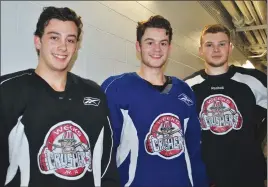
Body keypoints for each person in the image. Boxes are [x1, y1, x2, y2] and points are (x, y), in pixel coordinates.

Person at [0, 6, 119, 187]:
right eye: (54, 38)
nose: (63, 47)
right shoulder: (8, 90)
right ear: (38, 41)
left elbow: (106, 165)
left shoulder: (94, 94)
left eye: (70, 40)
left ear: (76, 46)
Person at [101, 15, 208, 187]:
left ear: (170, 47)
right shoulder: (116, 88)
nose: (157, 49)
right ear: (138, 46)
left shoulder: (185, 91)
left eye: (163, 43)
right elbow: (104, 152)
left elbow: (194, 149)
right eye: (150, 42)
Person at [184, 24, 267, 187]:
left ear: (230, 48)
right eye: (209, 45)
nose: (216, 50)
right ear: (201, 50)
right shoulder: (187, 87)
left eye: (221, 44)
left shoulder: (254, 80)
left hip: (248, 175)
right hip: (206, 178)